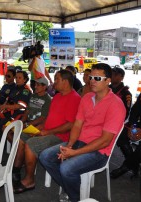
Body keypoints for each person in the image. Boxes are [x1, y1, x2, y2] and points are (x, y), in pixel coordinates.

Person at [39, 63, 126, 202]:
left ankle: (74, 198)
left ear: (108, 81)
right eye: (91, 77)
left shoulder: (116, 104)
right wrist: (70, 145)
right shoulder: (87, 98)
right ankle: (70, 188)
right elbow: (77, 125)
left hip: (99, 151)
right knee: (45, 157)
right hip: (80, 142)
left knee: (66, 168)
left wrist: (74, 153)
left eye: (97, 78)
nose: (92, 80)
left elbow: (105, 140)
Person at [13, 70, 81, 194]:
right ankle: (15, 170)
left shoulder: (74, 99)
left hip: (61, 137)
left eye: (57, 80)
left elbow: (70, 125)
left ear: (65, 82)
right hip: (48, 131)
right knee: (21, 137)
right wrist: (40, 128)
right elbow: (49, 118)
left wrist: (48, 132)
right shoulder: (57, 97)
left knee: (31, 144)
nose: (54, 83)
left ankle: (29, 180)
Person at [0, 70, 32, 142]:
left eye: (19, 78)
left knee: (0, 124)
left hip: (18, 115)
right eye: (16, 77)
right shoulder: (15, 88)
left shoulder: (26, 91)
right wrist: (3, 106)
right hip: (9, 112)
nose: (17, 79)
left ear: (25, 80)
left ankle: (2, 143)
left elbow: (20, 106)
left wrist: (6, 107)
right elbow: (8, 99)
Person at [7, 76, 52, 143]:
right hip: (27, 122)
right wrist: (22, 122)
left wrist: (28, 125)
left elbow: (42, 118)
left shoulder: (47, 100)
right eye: (35, 84)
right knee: (7, 130)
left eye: (38, 85)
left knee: (19, 136)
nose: (35, 87)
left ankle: (20, 148)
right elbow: (27, 110)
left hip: (36, 125)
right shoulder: (33, 96)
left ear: (44, 87)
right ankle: (17, 148)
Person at [110, 93, 141, 179]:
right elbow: (135, 110)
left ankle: (125, 167)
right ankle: (134, 165)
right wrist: (133, 126)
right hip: (138, 124)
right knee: (121, 137)